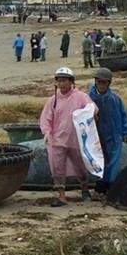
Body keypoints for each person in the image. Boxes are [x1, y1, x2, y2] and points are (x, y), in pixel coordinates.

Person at [40, 67, 95, 207]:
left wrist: (89, 113)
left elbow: (92, 108)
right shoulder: (53, 100)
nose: (61, 83)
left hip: (76, 139)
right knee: (57, 166)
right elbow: (46, 118)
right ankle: (61, 195)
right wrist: (47, 131)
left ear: (71, 82)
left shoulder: (81, 97)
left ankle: (84, 188)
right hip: (58, 139)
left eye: (64, 80)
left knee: (79, 165)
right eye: (59, 80)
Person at [87, 68, 127, 196]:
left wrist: (125, 132)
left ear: (109, 83)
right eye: (99, 81)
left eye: (104, 82)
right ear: (95, 81)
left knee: (113, 161)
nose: (101, 85)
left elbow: (123, 115)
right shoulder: (88, 98)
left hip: (114, 135)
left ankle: (107, 187)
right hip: (95, 136)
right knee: (99, 161)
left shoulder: (115, 99)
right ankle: (99, 186)